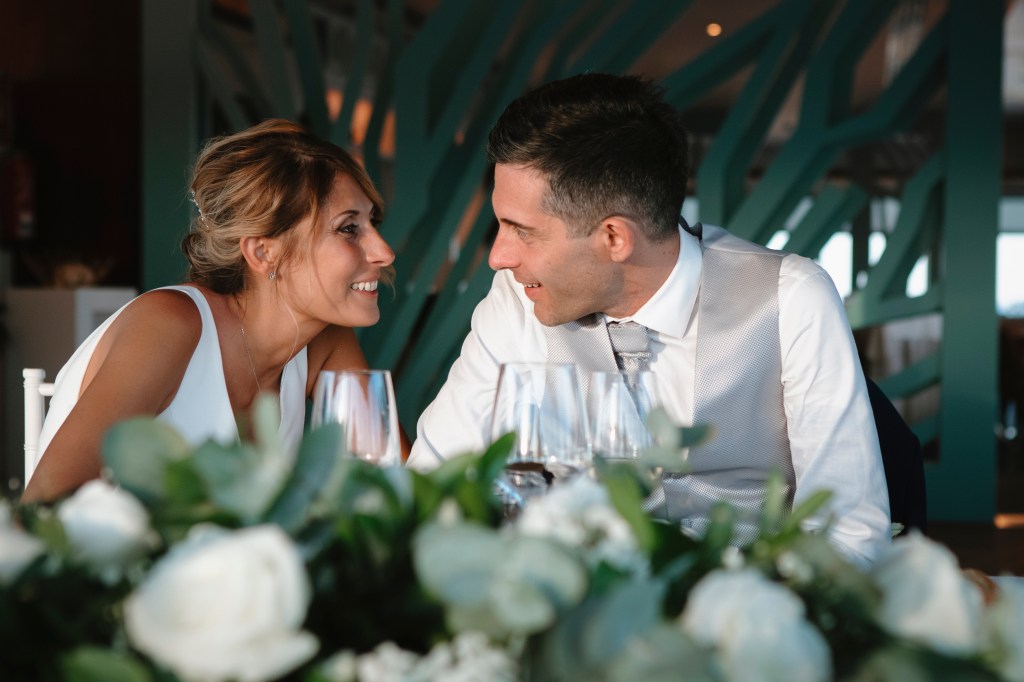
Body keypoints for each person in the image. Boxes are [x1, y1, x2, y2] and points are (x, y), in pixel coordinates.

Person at [406, 73, 891, 567]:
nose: (499, 256)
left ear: (615, 237)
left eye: (521, 231)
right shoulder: (518, 298)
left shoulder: (792, 298)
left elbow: (848, 532)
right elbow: (433, 482)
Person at [23, 119, 401, 503]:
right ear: (263, 252)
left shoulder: (325, 341)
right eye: (348, 229)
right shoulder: (168, 324)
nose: (384, 252)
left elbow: (398, 486)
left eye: (372, 222)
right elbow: (46, 504)